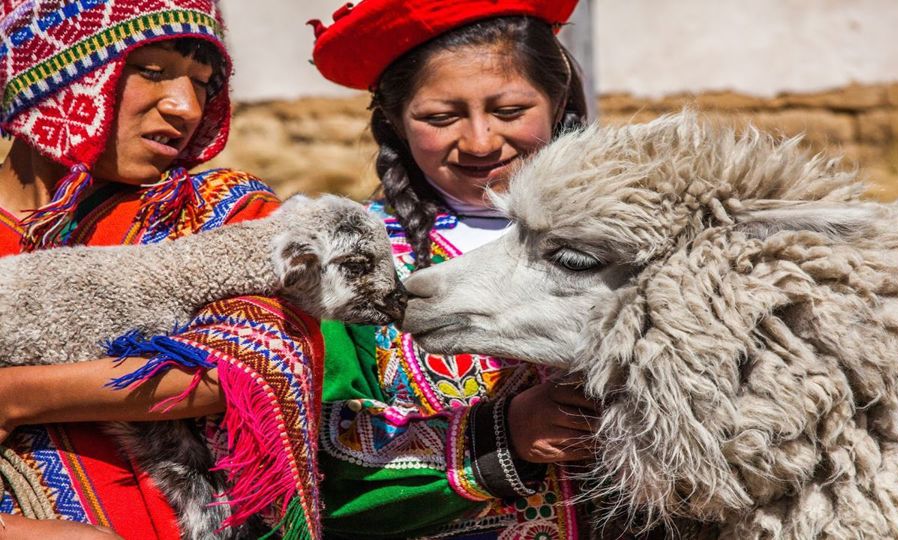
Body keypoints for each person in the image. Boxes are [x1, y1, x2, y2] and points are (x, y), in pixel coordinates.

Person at [0, 1, 322, 538]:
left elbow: (253, 358)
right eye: (151, 71)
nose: (185, 107)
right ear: (54, 75)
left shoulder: (219, 213)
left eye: (203, 83)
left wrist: (15, 396)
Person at [310, 1, 599, 538]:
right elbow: (311, 458)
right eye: (441, 118)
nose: (482, 141)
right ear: (394, 120)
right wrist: (502, 436)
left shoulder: (638, 243)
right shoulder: (348, 266)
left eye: (511, 111)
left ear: (557, 101)